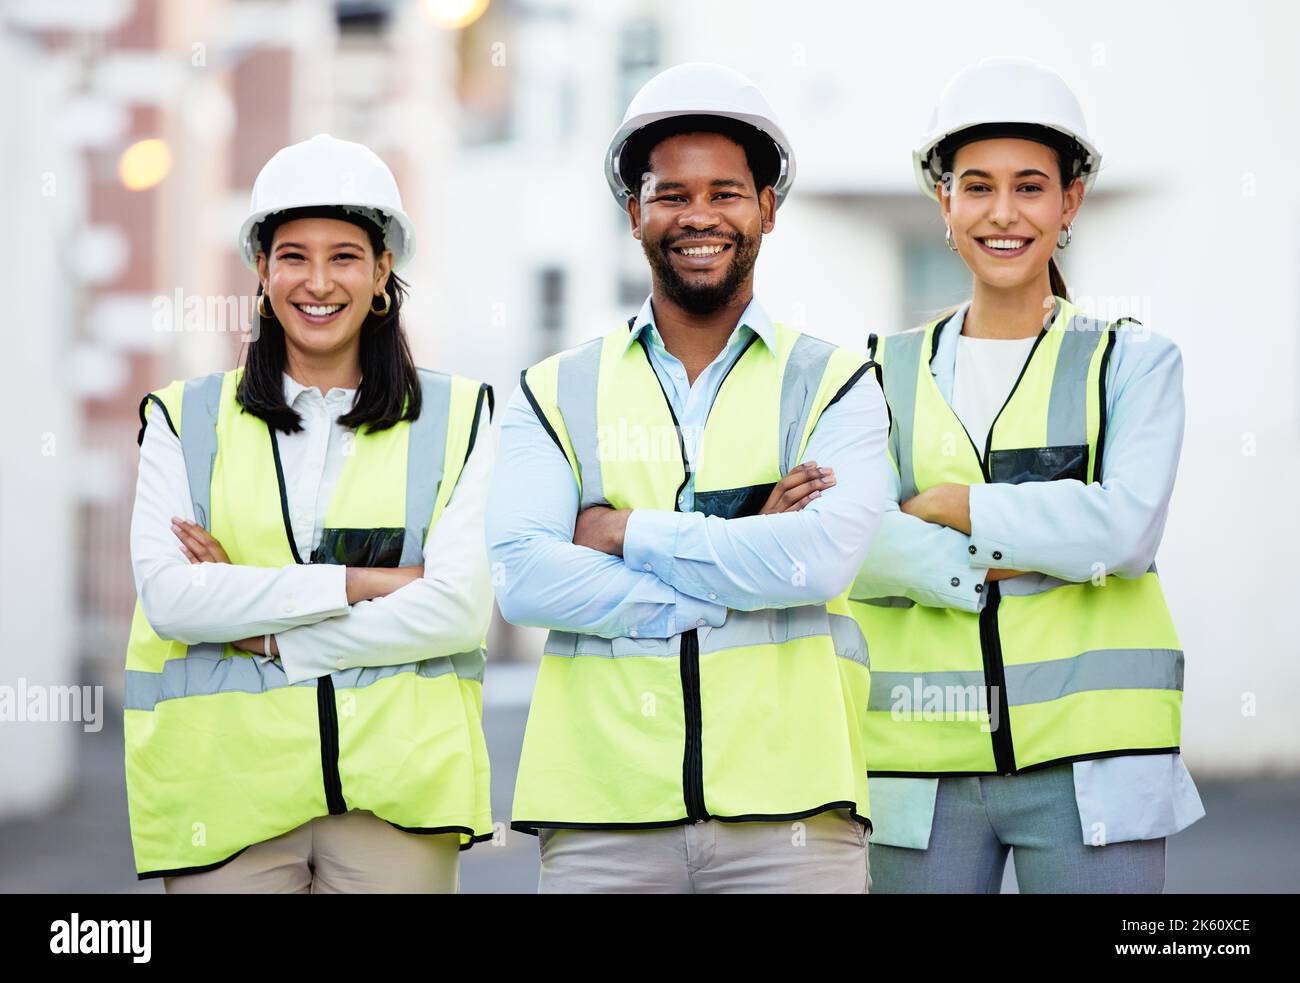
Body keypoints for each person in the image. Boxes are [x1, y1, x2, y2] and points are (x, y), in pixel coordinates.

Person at [486, 63, 889, 894]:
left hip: (795, 821)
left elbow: (817, 564)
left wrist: (623, 531)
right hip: (602, 817)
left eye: (726, 192)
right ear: (634, 212)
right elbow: (523, 578)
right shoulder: (553, 388)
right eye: (672, 194)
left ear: (767, 209)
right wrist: (743, 558)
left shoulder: (839, 384)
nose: (698, 216)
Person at [849, 57, 1204, 893]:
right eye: (976, 186)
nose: (1002, 213)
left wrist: (947, 505)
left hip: (1093, 765)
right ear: (944, 201)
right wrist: (1039, 532)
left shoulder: (1133, 362)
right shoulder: (874, 371)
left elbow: (1123, 531)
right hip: (918, 765)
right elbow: (846, 543)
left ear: (1069, 201)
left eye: (1030, 186)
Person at [123, 134, 495, 892]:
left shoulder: (460, 417)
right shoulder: (184, 418)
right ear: (260, 269)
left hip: (399, 799)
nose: (318, 282)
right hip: (226, 794)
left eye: (345, 256)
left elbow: (456, 610)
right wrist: (367, 581)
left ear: (384, 269)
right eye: (293, 255)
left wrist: (261, 628)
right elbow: (172, 599)